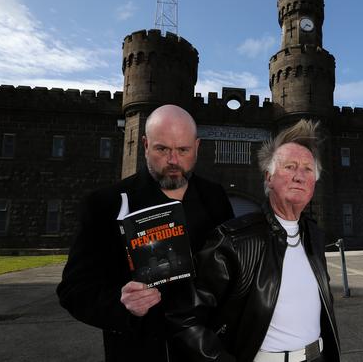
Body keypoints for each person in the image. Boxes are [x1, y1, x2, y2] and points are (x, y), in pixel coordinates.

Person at [57, 104, 234, 362]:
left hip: (206, 352)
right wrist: (122, 305)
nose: (173, 161)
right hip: (140, 351)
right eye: (162, 149)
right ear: (145, 144)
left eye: (183, 150)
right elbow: (73, 290)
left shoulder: (215, 198)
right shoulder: (105, 204)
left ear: (197, 147)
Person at [166, 119, 341, 362]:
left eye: (308, 169)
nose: (299, 176)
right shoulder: (233, 239)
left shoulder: (314, 236)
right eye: (289, 167)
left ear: (314, 183)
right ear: (269, 178)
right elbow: (184, 319)